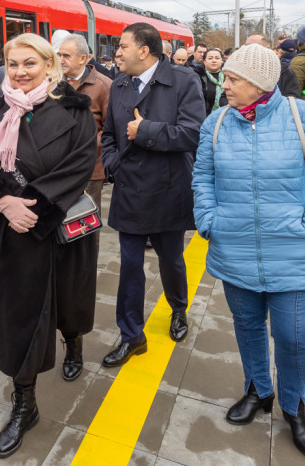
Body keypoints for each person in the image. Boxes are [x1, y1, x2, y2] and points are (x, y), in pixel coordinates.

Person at [191, 44, 305, 460]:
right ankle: (259, 390)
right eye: (225, 77)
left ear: (260, 84)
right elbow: (201, 177)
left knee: (295, 336)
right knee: (247, 326)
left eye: (233, 79)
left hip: (293, 251)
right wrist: (208, 220)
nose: (225, 85)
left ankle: (294, 406)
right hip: (234, 248)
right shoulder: (217, 122)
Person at [0, 33, 97, 458]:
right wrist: (3, 203)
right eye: (13, 64)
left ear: (50, 65)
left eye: (30, 64)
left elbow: (79, 168)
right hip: (12, 234)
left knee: (70, 298)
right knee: (18, 314)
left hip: (56, 229)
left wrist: (32, 210)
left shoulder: (74, 111)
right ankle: (25, 403)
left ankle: (72, 340)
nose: (20, 73)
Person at [100, 23, 205, 367]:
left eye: (122, 46)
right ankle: (131, 335)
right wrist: (112, 163)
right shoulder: (119, 84)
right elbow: (110, 135)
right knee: (130, 266)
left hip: (168, 188)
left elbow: (192, 135)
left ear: (144, 50)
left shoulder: (184, 80)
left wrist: (145, 130)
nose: (117, 52)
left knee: (171, 260)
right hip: (130, 188)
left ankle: (178, 309)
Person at [58, 34, 112, 213]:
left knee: (85, 223)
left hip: (89, 168)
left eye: (66, 56)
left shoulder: (104, 86)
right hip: (57, 167)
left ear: (83, 58)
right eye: (59, 55)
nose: (61, 60)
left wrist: (82, 147)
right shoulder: (54, 84)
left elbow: (110, 130)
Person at [197, 48, 228, 115]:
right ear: (204, 61)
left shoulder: (228, 76)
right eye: (210, 58)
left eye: (217, 58)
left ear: (222, 60)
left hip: (226, 115)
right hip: (204, 116)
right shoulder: (197, 76)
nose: (214, 61)